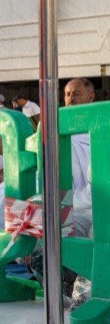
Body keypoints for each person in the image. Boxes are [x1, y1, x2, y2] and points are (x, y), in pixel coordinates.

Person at [65, 78, 95, 237]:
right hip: (76, 209)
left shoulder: (100, 128)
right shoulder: (59, 133)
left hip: (100, 204)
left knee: (97, 233)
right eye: (67, 94)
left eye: (76, 94)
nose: (71, 98)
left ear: (91, 97)